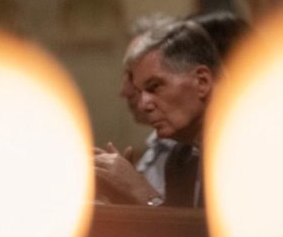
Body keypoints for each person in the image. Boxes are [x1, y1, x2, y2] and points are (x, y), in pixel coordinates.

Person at [94, 20, 220, 206]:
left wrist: (142, 193)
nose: (144, 104)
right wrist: (127, 201)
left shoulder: (254, 145)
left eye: (155, 87)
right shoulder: (180, 159)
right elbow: (177, 232)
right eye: (141, 91)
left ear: (202, 82)